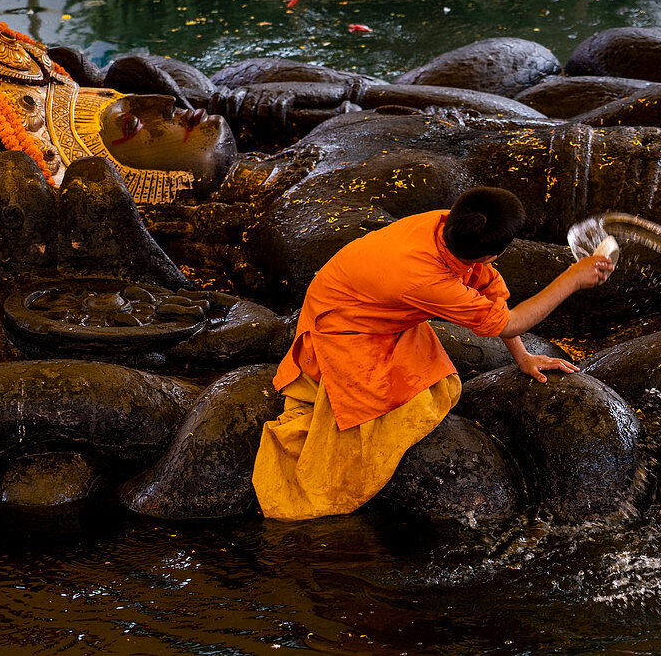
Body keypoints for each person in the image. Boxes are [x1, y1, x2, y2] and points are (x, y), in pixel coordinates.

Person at [251, 186, 614, 520]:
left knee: (434, 378)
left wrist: (522, 357)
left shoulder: (447, 225)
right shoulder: (426, 280)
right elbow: (509, 322)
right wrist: (571, 278)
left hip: (370, 304)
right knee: (417, 401)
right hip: (343, 324)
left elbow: (490, 299)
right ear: (492, 253)